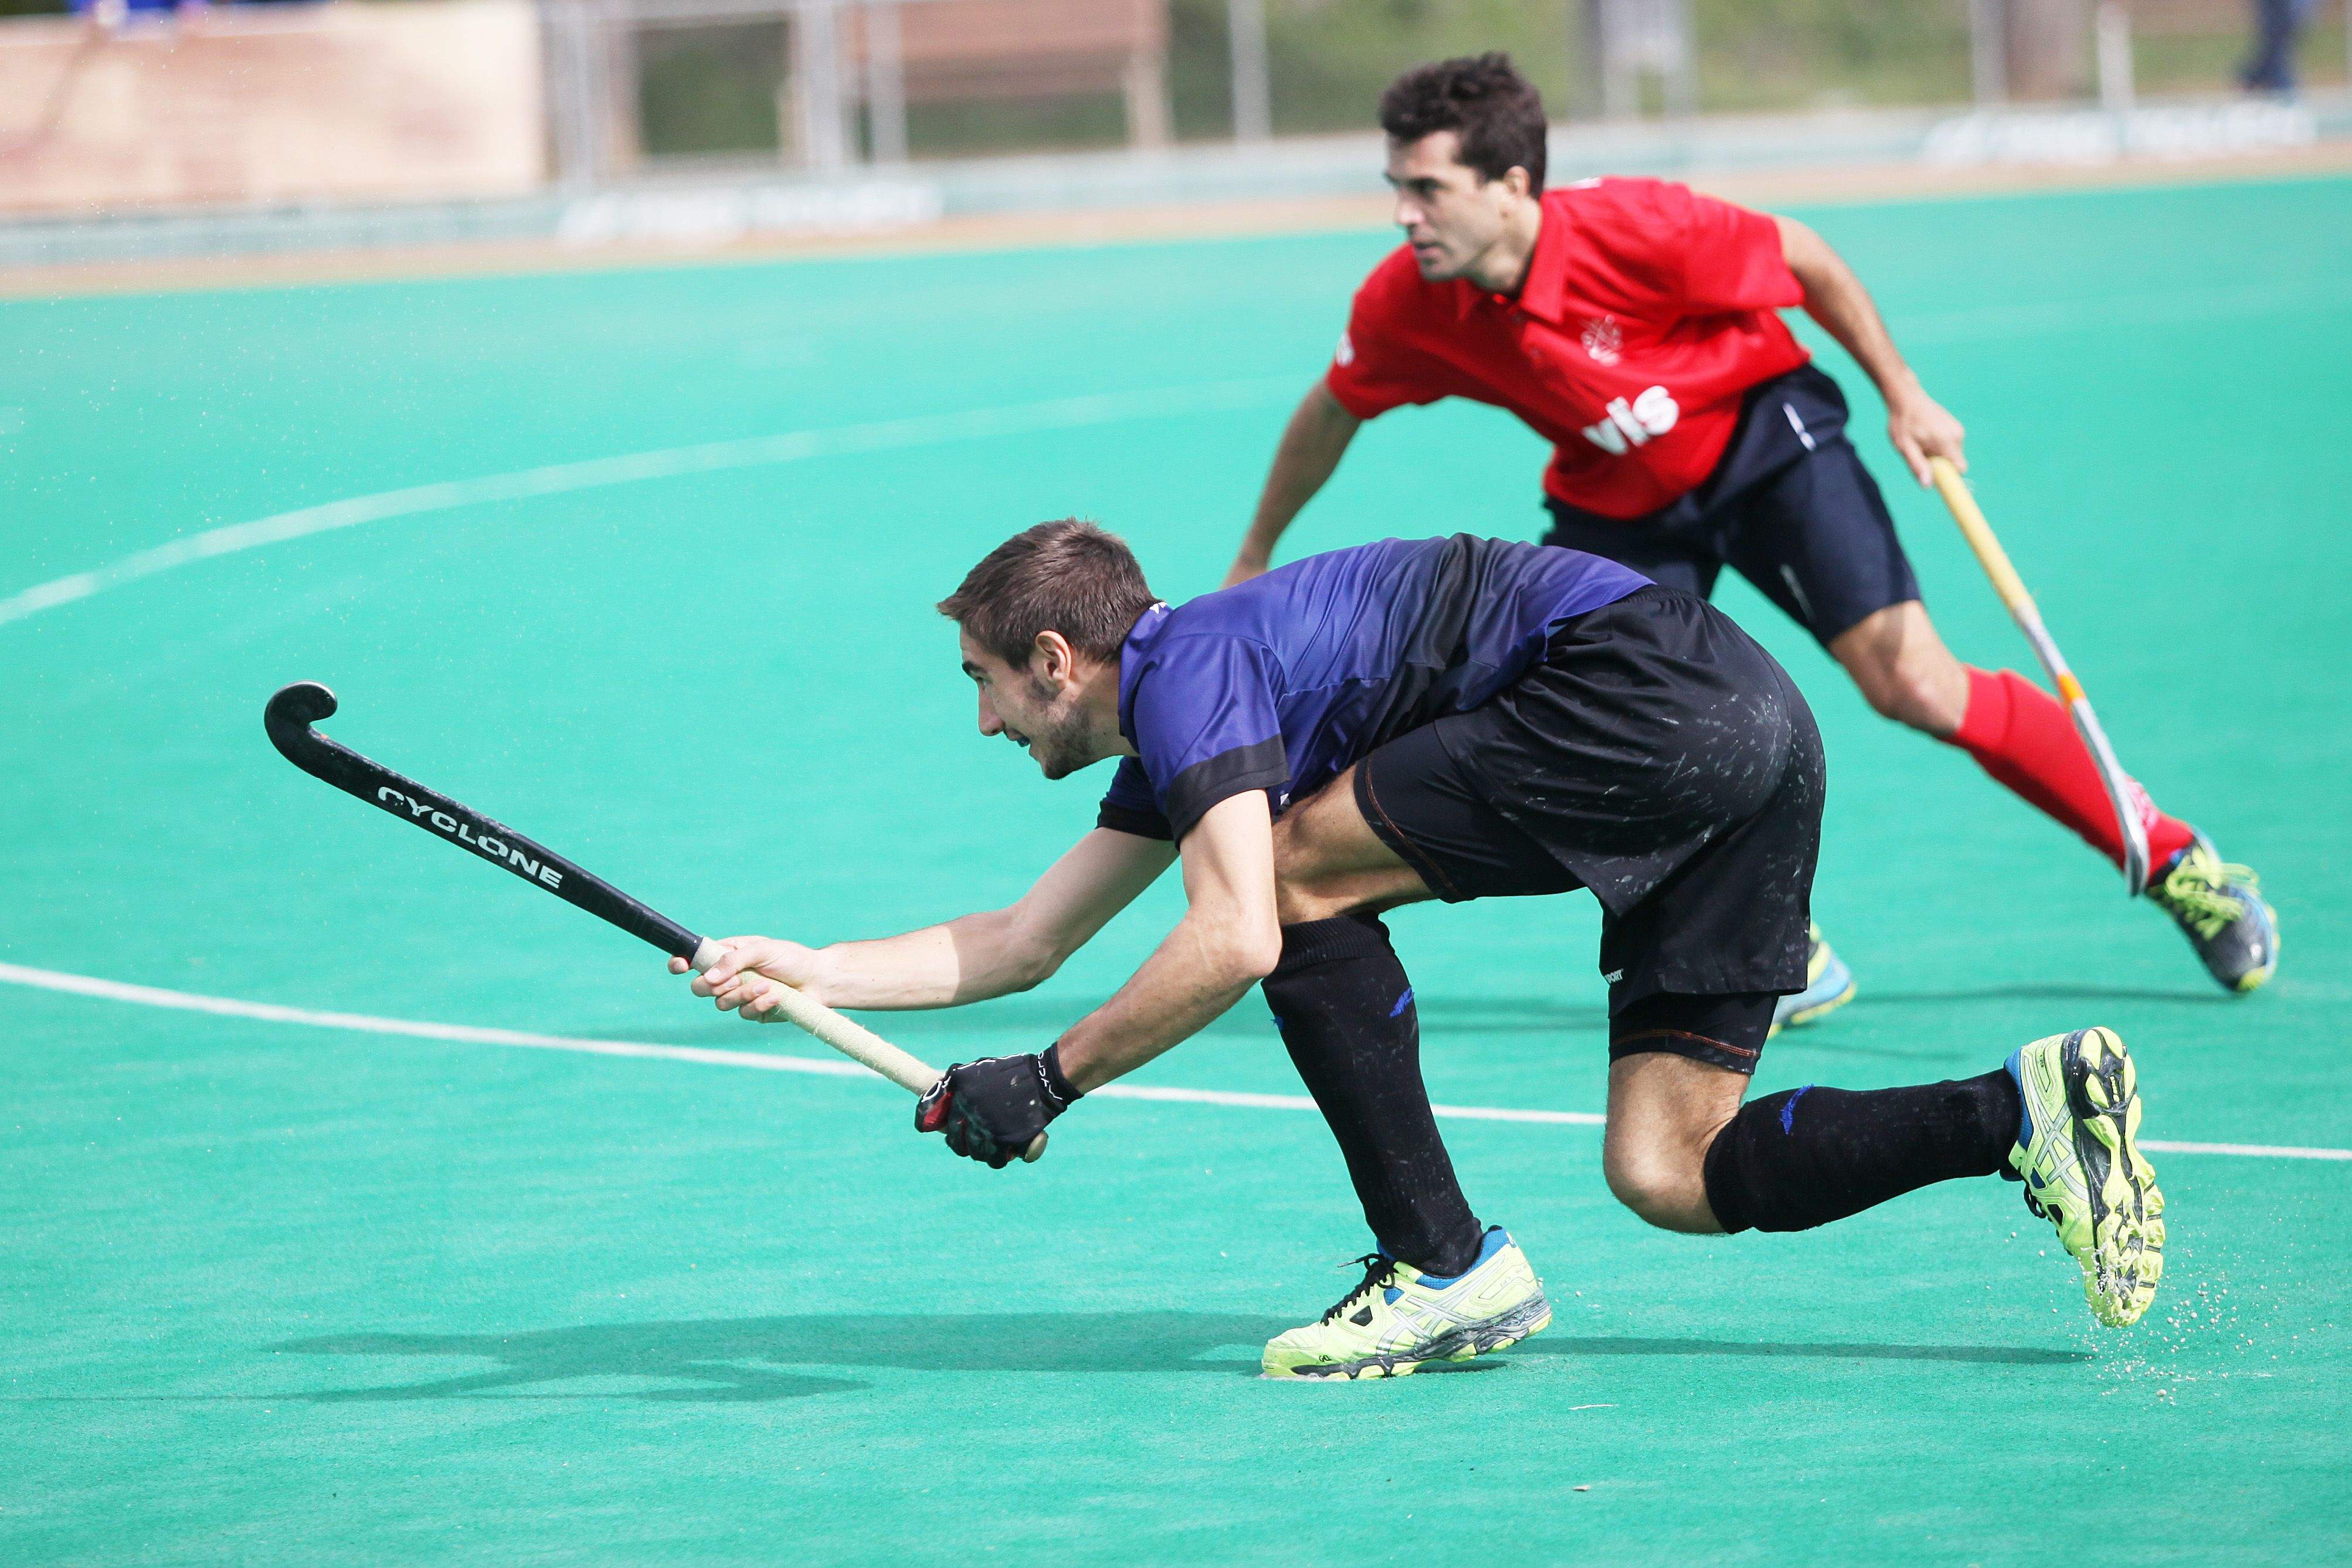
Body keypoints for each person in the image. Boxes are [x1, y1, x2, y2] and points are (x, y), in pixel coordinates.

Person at [675, 520, 2166, 1379]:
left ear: (1055, 661)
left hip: (1636, 690)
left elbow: (1238, 932)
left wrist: (1048, 1082)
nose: (982, 719)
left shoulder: (1195, 672)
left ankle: (1442, 1262)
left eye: (987, 683)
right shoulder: (1185, 725)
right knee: (1668, 1167)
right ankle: (2012, 1112)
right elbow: (1021, 938)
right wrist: (806, 968)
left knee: (1287, 882)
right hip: (1757, 730)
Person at [1223, 53, 2276, 1017]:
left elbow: (1805, 258)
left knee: (1914, 682)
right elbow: (1333, 412)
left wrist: (1904, 394)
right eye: (1396, 188)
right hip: (1619, 494)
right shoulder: (1410, 302)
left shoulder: (1637, 229)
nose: (1404, 215)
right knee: (1610, 715)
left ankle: (2173, 856)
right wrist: (1256, 552)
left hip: (1766, 441)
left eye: (1427, 189)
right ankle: (1778, 935)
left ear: (1510, 186)